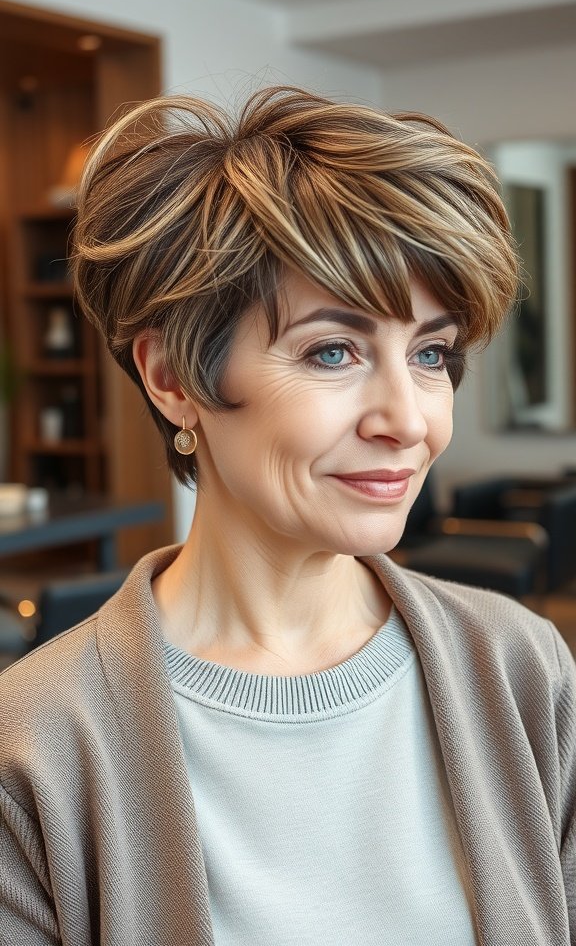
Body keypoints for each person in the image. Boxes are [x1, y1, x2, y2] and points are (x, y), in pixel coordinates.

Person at [0, 86, 574, 946]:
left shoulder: (523, 671)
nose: (409, 419)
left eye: (431, 354)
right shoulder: (36, 746)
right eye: (333, 351)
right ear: (174, 379)